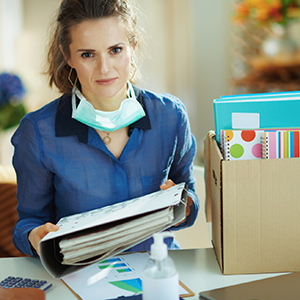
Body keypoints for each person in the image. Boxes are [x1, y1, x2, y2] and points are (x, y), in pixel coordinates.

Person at [12, 0, 199, 257]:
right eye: (88, 54)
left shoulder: (170, 116)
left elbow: (189, 194)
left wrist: (184, 205)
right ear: (67, 55)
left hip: (157, 272)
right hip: (79, 280)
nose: (104, 68)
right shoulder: (38, 132)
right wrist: (34, 235)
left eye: (116, 50)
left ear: (133, 47)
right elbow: (28, 223)